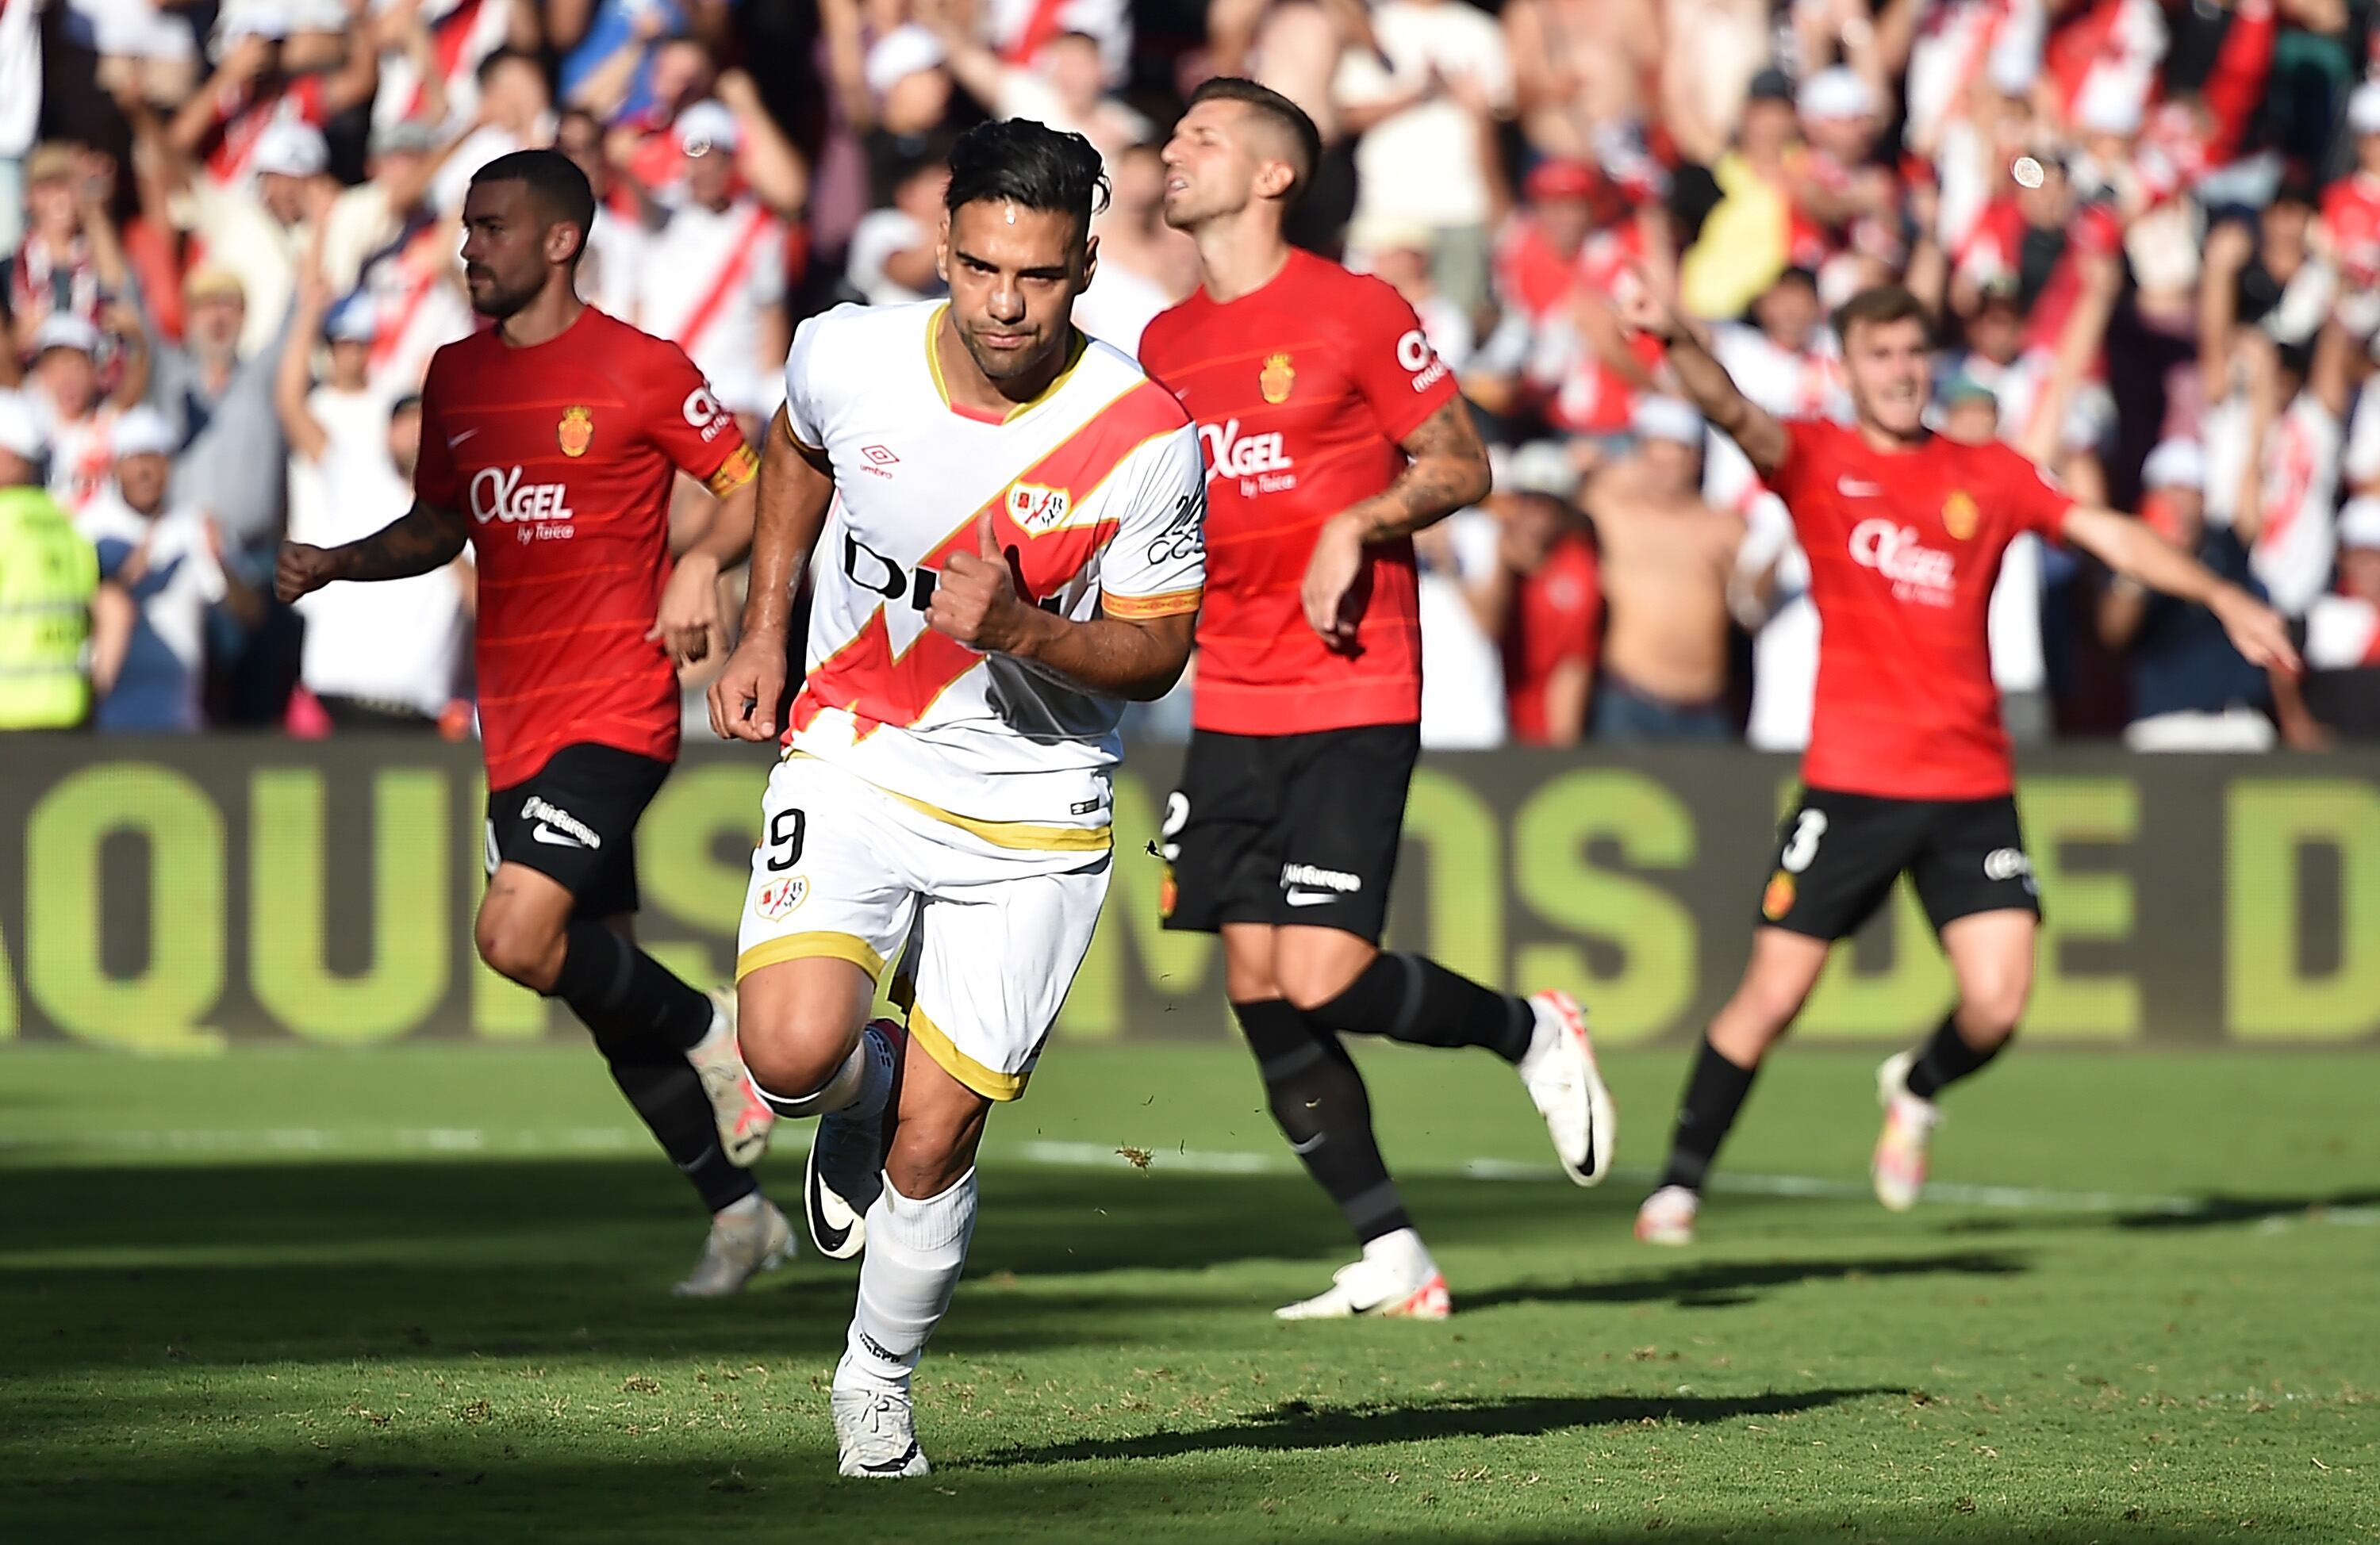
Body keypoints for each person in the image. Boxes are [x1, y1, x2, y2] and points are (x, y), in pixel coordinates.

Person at [694, 118, 1207, 1478]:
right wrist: (763, 623)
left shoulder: (1145, 434)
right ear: (943, 248)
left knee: (941, 1131)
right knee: (791, 1057)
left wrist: (1028, 629)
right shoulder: (847, 348)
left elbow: (1158, 651)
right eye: (980, 267)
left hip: (1036, 804)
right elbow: (798, 449)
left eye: (1036, 275)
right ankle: (852, 1093)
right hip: (857, 747)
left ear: (1087, 266)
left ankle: (874, 1386)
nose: (1004, 302)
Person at [1619, 279, 2297, 1247]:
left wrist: (2221, 596)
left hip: (1972, 784)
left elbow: (2107, 533)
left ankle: (1918, 1084)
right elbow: (1728, 407)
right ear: (1846, 368)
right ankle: (1679, 1186)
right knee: (1770, 997)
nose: (1899, 372)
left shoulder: (1988, 471)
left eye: (1910, 353)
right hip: (1852, 782)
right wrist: (1677, 335)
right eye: (1879, 355)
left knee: (2000, 1000)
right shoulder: (1817, 457)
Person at [1138, 79, 1613, 1322]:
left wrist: (1359, 518)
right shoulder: (1163, 346)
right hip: (1229, 698)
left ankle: (1530, 1029)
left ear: (1275, 174)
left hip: (1349, 684)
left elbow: (1461, 459)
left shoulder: (1353, 308)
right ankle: (1393, 1251)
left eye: (1201, 138)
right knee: (1255, 982)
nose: (1172, 153)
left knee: (1326, 974)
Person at [273, 148, 782, 1296]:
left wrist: (700, 563)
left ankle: (718, 1029)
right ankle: (738, 1213)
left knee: (511, 937)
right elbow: (441, 526)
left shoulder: (642, 368)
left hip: (618, 703)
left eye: (492, 227)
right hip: (516, 718)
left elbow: (756, 484)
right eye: (465, 229)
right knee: (585, 983)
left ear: (561, 241)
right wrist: (343, 562)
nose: (470, 249)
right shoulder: (454, 377)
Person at [75, 404, 259, 731]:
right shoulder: (87, 530)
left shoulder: (195, 528)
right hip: (107, 724)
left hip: (180, 725)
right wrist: (122, 579)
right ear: (116, 466)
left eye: (156, 459)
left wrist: (223, 562)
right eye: (136, 460)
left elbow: (251, 614)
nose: (147, 472)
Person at [1582, 396, 1743, 742]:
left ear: (1696, 458)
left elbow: (1748, 609)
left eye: (1677, 452)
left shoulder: (1724, 527)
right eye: (1655, 450)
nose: (1665, 464)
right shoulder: (1614, 511)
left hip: (1705, 706)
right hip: (1630, 700)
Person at [0, 389, 127, 730]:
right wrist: (95, 690)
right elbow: (114, 609)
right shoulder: (68, 525)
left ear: (9, 457)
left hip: (6, 718)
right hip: (68, 713)